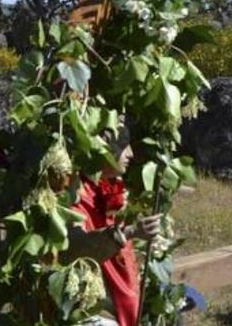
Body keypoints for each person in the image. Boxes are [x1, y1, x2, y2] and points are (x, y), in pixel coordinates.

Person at [67, 127, 163, 326]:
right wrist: (131, 232)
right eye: (122, 146)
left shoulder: (104, 188)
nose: (130, 154)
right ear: (102, 150)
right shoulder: (73, 195)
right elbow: (77, 248)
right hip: (90, 313)